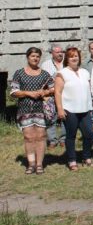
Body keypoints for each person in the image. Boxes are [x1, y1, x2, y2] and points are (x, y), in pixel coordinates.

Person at [10, 47, 54, 175]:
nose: (35, 58)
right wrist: (29, 93)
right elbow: (13, 92)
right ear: (27, 57)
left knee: (40, 137)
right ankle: (31, 164)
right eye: (33, 56)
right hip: (24, 110)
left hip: (41, 109)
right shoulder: (19, 73)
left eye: (37, 56)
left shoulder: (45, 74)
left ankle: (40, 165)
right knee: (29, 137)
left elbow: (53, 89)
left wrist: (44, 92)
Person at [54, 47, 93, 171]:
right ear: (67, 59)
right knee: (71, 136)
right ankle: (72, 160)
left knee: (88, 134)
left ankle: (86, 157)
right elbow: (57, 92)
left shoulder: (85, 72)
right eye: (71, 56)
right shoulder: (62, 73)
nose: (74, 58)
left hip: (85, 109)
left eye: (76, 56)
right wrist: (60, 109)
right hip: (70, 110)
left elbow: (89, 91)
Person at [41, 43, 65, 148]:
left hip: (65, 94)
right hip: (50, 94)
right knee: (50, 117)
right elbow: (42, 80)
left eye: (61, 51)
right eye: (57, 52)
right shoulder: (45, 65)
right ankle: (52, 140)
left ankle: (64, 139)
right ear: (52, 53)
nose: (60, 54)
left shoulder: (67, 62)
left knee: (65, 117)